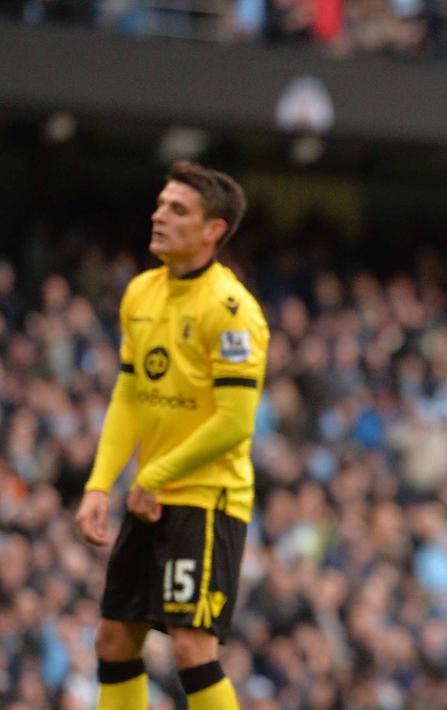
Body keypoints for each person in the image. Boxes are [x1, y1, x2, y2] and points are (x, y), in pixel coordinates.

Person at [73, 161, 269, 710]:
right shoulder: (140, 293)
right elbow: (129, 395)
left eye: (177, 209)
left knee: (192, 648)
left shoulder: (233, 312)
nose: (158, 215)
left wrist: (153, 474)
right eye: (161, 203)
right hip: (149, 496)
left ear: (213, 231)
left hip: (207, 498)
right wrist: (98, 484)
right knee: (114, 639)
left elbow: (234, 423)